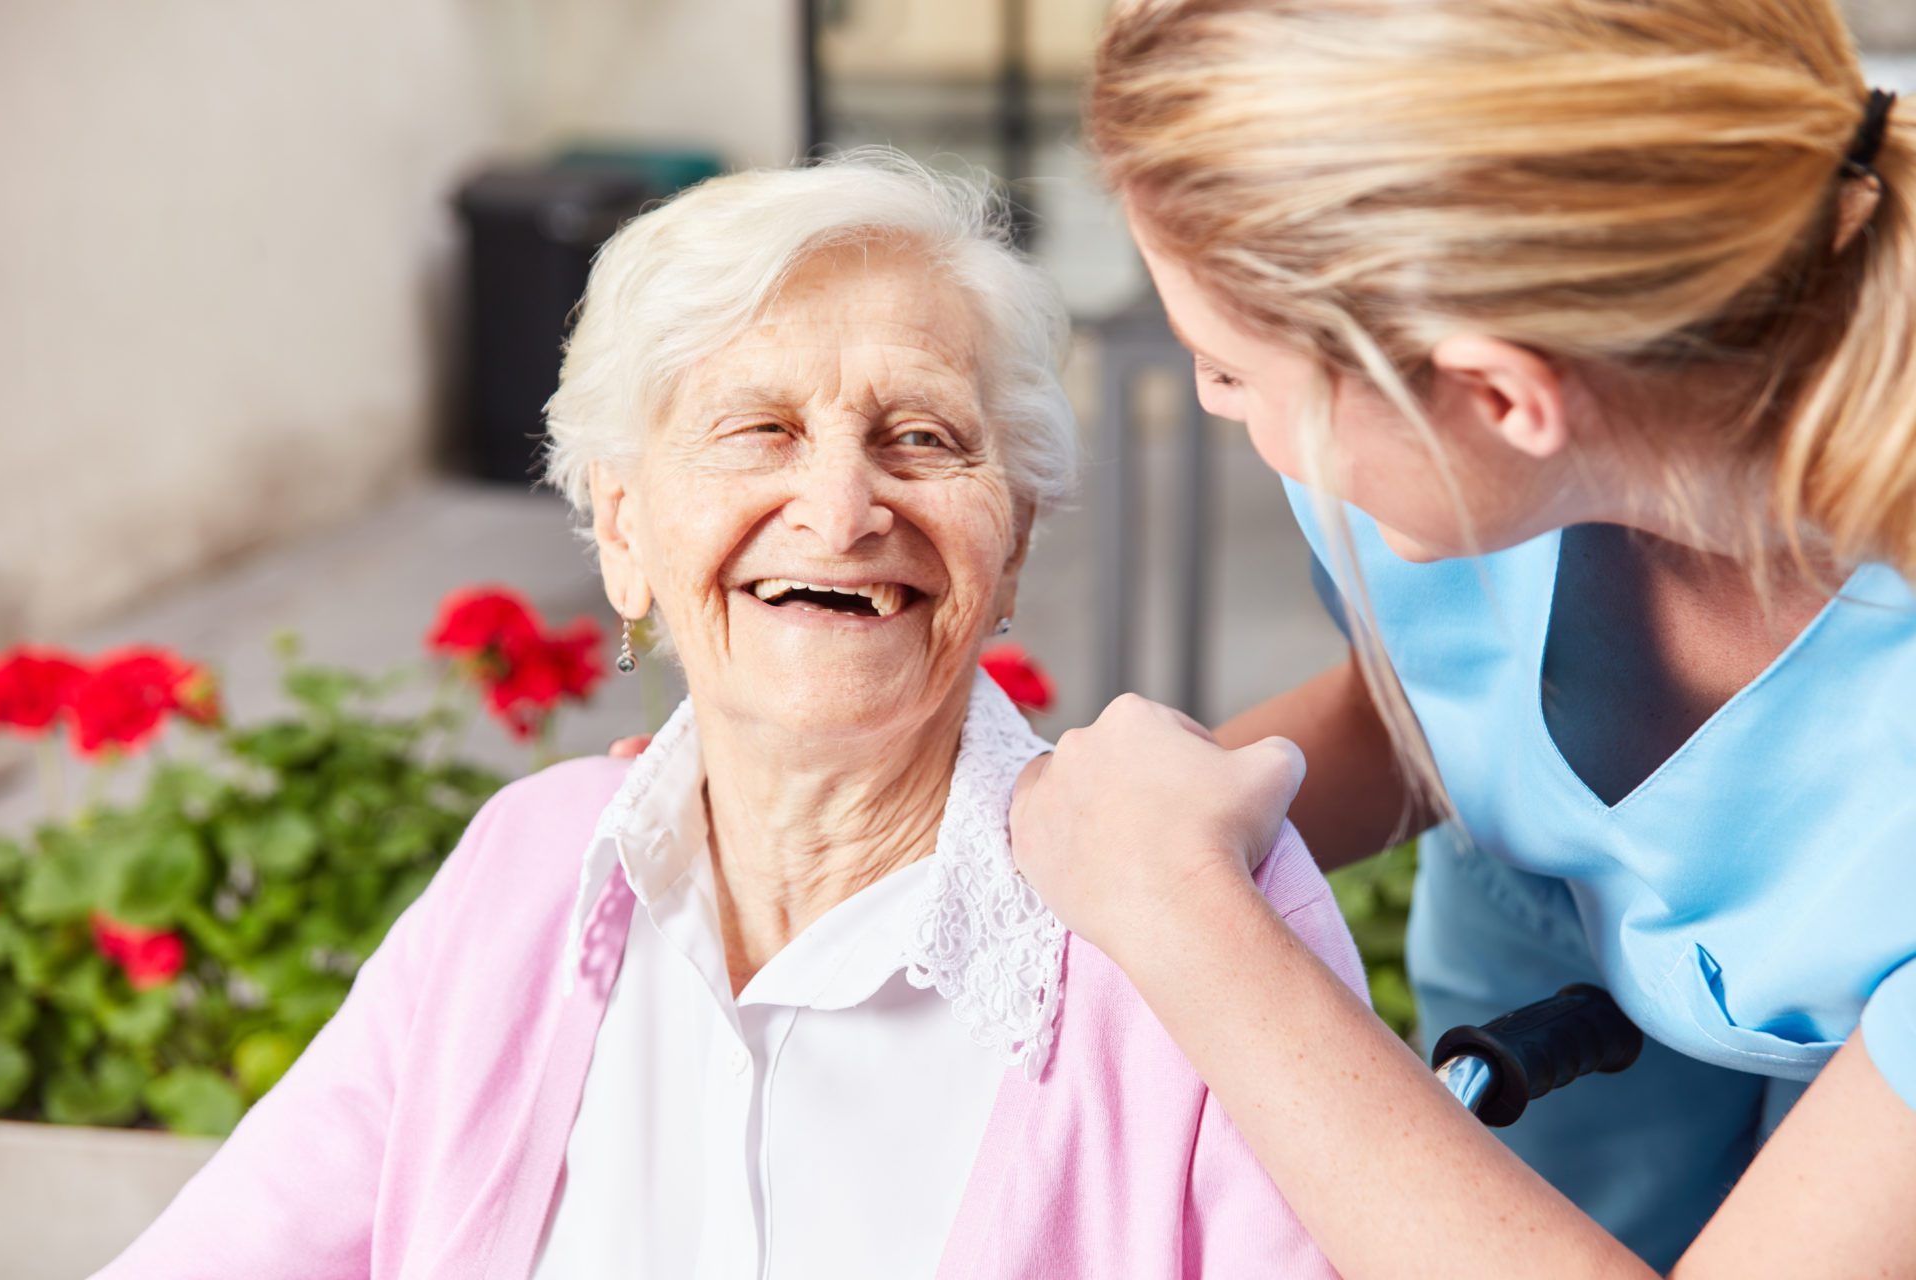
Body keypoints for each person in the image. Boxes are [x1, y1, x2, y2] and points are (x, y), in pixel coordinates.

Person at [97, 152, 1363, 1279]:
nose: (842, 507)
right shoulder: (527, 872)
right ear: (624, 531)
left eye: (922, 437)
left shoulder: (1192, 916)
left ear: (1013, 542)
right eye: (757, 430)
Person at [1009, 1, 1916, 1276]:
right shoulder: (1456, 468)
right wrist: (1071, 843)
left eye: (1228, 371)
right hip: (1540, 918)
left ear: (1494, 394)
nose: (1220, 404)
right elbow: (1441, 706)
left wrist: (1182, 913)